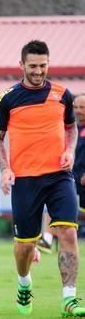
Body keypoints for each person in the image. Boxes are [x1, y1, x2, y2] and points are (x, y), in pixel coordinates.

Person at [0, 40, 85, 317]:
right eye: (32, 66)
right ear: (21, 65)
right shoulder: (8, 98)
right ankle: (24, 283)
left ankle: (69, 299)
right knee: (24, 247)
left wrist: (68, 150)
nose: (38, 71)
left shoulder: (62, 94)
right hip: (26, 180)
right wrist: (5, 169)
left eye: (43, 65)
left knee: (68, 231)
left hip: (59, 176)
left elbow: (71, 127)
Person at [71, 94, 85, 226]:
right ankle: (47, 238)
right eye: (75, 107)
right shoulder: (71, 128)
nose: (78, 110)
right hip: (73, 178)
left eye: (82, 107)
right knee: (57, 206)